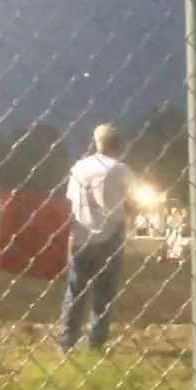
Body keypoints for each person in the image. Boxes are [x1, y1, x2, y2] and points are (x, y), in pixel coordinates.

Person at [59, 123, 135, 353]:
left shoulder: (79, 168)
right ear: (117, 144)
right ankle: (96, 342)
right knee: (105, 292)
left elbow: (69, 202)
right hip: (110, 236)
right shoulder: (121, 169)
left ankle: (67, 342)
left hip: (81, 234)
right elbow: (131, 203)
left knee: (75, 290)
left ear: (97, 142)